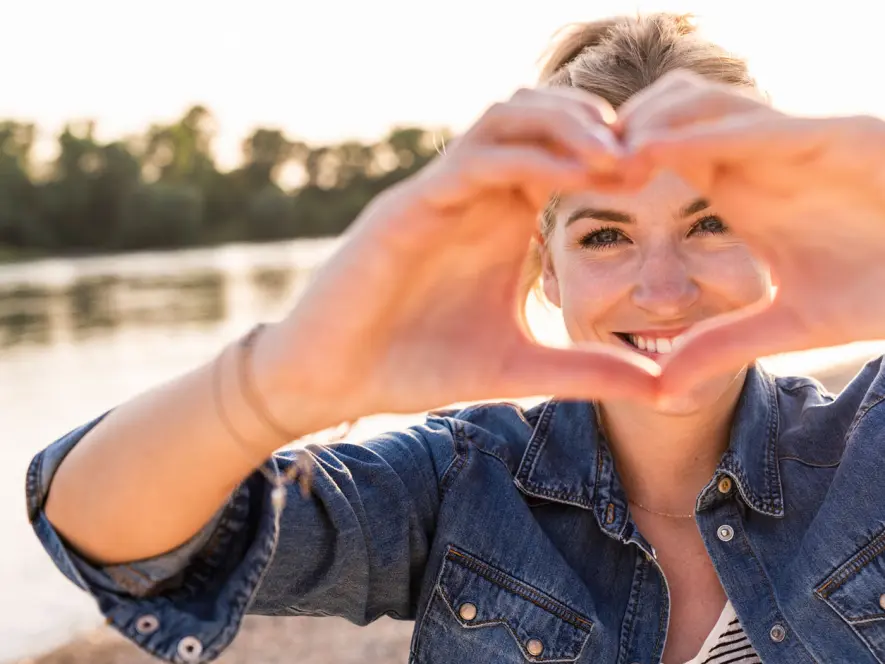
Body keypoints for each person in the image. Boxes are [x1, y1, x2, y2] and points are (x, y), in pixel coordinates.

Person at [25, 11, 885, 664]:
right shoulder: (462, 482)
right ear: (546, 269)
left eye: (711, 223)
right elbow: (110, 538)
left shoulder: (866, 447)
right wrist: (281, 383)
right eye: (604, 236)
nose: (663, 289)